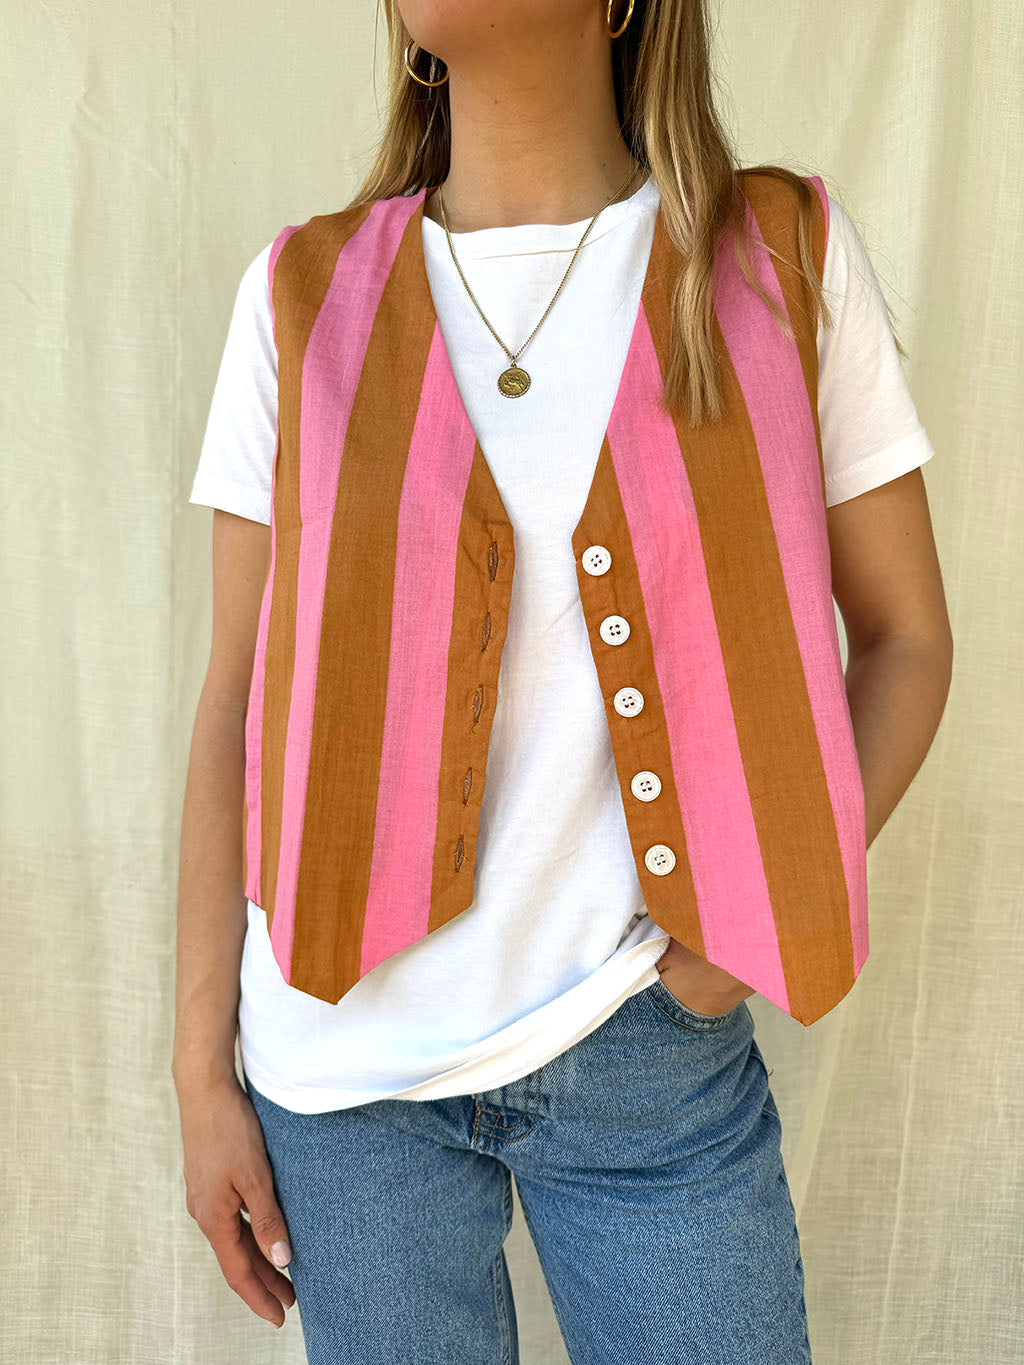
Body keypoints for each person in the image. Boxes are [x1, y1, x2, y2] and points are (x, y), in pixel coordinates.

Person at [172, 2, 953, 1360]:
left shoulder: (775, 259)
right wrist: (199, 1071)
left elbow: (907, 638)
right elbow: (236, 706)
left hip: (651, 1050)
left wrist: (746, 924)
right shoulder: (300, 296)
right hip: (342, 1079)